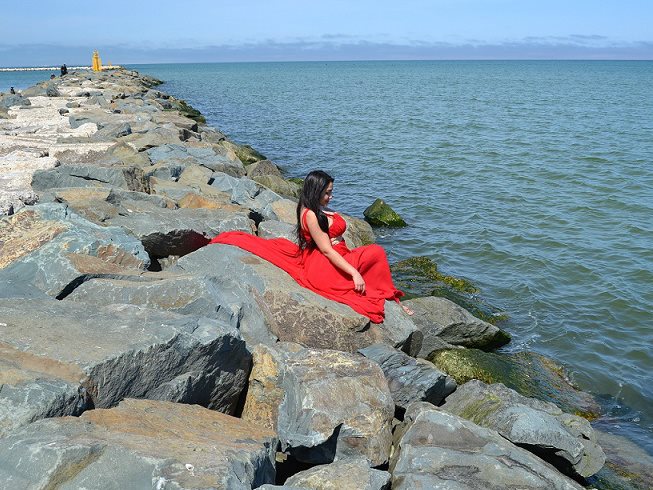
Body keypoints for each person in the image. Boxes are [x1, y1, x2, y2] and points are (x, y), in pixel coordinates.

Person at [209, 170, 412, 323]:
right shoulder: (310, 215)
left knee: (374, 254)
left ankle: (391, 298)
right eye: (327, 193)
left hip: (338, 253)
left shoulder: (315, 209)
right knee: (376, 252)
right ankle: (390, 298)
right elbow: (326, 250)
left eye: (331, 192)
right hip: (323, 264)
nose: (331, 197)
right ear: (316, 191)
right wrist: (354, 273)